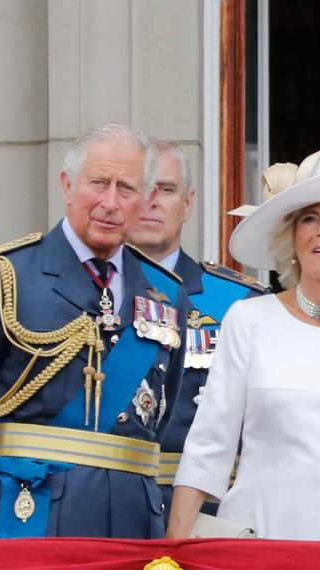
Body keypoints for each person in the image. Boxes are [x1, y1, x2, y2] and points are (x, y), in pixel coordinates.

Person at [165, 146, 320, 539]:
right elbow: (209, 442)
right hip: (262, 538)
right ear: (293, 238)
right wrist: (175, 549)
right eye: (309, 219)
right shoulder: (249, 318)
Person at [0, 123, 188, 538]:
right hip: (26, 515)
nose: (110, 202)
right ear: (67, 185)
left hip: (132, 525)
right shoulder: (7, 277)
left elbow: (163, 418)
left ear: (146, 199)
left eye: (127, 188)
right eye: (98, 183)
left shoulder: (168, 295)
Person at [126, 140, 267, 512]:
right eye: (140, 188)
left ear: (187, 204)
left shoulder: (241, 303)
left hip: (209, 509)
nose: (152, 201)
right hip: (107, 504)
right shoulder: (84, 292)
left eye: (167, 190)